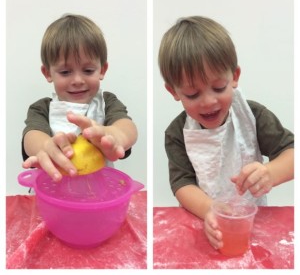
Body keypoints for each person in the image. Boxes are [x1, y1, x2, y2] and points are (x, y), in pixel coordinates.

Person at [158, 16, 294, 250]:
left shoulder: (253, 116)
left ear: (235, 77)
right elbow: (182, 184)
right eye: (192, 94)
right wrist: (210, 209)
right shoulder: (176, 133)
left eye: (219, 88)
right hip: (203, 220)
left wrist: (270, 173)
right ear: (173, 91)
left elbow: (292, 155)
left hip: (254, 223)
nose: (208, 102)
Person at [22, 14, 138, 182]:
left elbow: (126, 127)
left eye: (88, 70)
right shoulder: (42, 108)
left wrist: (112, 135)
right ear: (48, 73)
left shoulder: (108, 102)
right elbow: (32, 136)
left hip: (98, 192)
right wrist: (46, 147)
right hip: (53, 190)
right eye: (65, 72)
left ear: (102, 70)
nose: (77, 80)